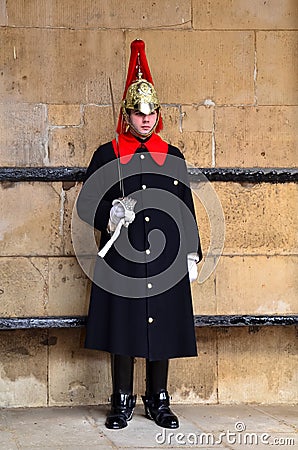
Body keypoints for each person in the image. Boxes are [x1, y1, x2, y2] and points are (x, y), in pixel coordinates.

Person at [77, 39, 202, 430]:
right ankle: (122, 397)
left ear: (158, 115)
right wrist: (110, 215)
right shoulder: (107, 154)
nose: (145, 119)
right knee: (125, 324)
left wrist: (191, 253)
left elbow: (185, 206)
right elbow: (86, 205)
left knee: (162, 324)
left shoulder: (174, 155)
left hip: (165, 257)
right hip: (124, 257)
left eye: (151, 113)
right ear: (126, 114)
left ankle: (158, 398)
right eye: (137, 113)